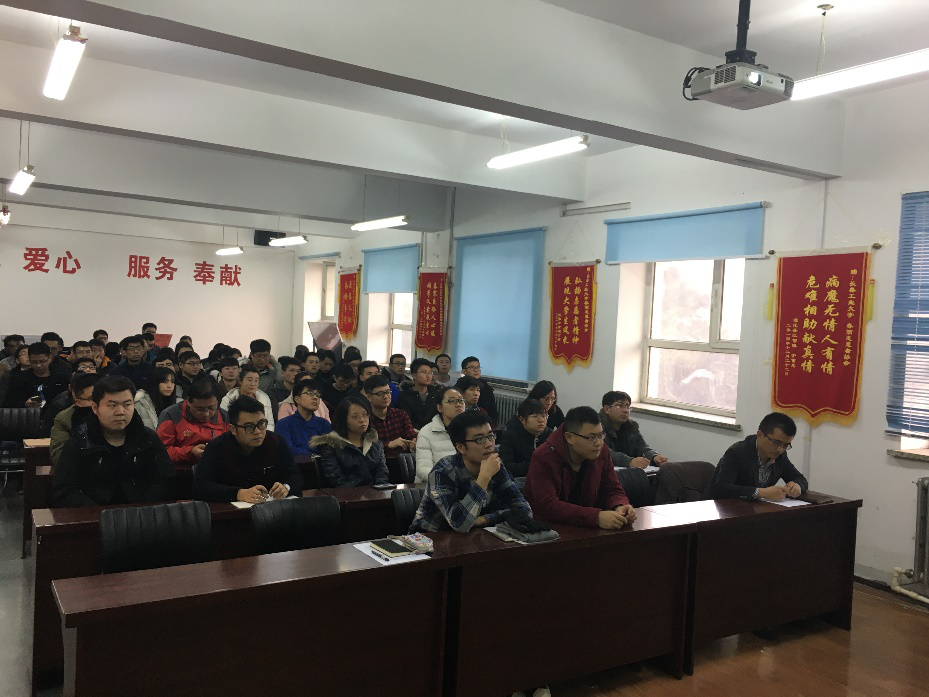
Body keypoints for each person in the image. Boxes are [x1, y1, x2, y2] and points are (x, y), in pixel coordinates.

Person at [52, 375, 175, 507]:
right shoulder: (81, 442)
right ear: (95, 407)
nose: (120, 412)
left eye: (127, 405)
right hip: (94, 514)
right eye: (112, 405)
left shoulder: (147, 438)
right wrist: (97, 513)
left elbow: (165, 479)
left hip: (141, 513)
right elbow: (64, 489)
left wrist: (141, 509)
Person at [410, 410, 531, 533]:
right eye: (479, 439)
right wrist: (484, 478)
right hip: (430, 539)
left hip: (477, 535)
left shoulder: (496, 466)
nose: (489, 444)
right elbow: (460, 524)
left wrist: (484, 520)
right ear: (461, 447)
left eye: (490, 436)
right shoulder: (442, 472)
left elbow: (524, 510)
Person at [524, 406, 635, 529]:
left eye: (601, 435)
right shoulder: (543, 457)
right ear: (569, 437)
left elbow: (612, 489)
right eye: (591, 437)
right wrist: (596, 517)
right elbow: (548, 506)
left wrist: (620, 505)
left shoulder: (601, 452)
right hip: (548, 528)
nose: (599, 443)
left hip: (586, 526)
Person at [193, 395, 303, 503]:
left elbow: (295, 476)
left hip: (271, 508)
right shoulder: (216, 447)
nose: (258, 432)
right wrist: (238, 493)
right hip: (232, 510)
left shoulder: (276, 442)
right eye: (249, 427)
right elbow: (201, 487)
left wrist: (286, 487)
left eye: (261, 424)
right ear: (233, 429)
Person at [705, 412, 809, 501]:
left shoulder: (780, 456)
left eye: (786, 445)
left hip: (752, 511)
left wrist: (796, 485)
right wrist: (760, 493)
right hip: (719, 511)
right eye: (776, 443)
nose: (780, 449)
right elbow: (721, 489)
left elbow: (800, 478)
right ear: (760, 435)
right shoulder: (737, 452)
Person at [311, 395, 388, 487]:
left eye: (365, 415)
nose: (362, 420)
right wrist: (362, 492)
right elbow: (335, 479)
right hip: (346, 494)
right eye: (355, 417)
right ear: (344, 420)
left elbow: (382, 473)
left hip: (376, 492)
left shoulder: (375, 443)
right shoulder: (331, 446)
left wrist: (379, 489)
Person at [157, 379, 229, 466]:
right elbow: (160, 452)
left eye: (211, 408)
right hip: (180, 469)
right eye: (200, 409)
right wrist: (190, 452)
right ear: (188, 402)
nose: (206, 414)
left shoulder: (225, 417)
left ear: (217, 402)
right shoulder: (171, 415)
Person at [599, 391, 668, 468]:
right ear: (607, 409)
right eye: (620, 406)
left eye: (627, 406)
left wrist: (654, 456)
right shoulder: (597, 426)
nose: (625, 410)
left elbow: (641, 447)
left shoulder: (631, 427)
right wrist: (629, 461)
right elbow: (603, 452)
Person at [415, 385, 466, 483]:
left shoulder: (471, 430)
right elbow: (423, 471)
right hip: (435, 486)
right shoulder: (426, 433)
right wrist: (450, 479)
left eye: (461, 400)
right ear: (440, 407)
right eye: (451, 401)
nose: (458, 404)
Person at [49, 372, 99, 465]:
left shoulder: (118, 413)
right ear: (78, 402)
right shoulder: (64, 419)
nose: (98, 403)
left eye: (101, 398)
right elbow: (59, 457)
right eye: (91, 399)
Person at [363, 375, 417, 460]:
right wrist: (388, 444)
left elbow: (411, 435)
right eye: (380, 394)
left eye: (388, 392)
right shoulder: (365, 420)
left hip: (403, 461)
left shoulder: (400, 414)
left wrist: (413, 442)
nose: (385, 396)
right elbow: (367, 448)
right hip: (378, 462)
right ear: (369, 397)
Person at [276, 378, 333, 456]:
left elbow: (330, 451)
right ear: (297, 399)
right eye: (310, 393)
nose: (315, 397)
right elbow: (288, 450)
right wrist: (314, 456)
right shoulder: (284, 424)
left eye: (318, 394)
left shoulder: (324, 424)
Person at [2, 342, 68, 408]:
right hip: (27, 413)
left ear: (50, 358)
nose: (38, 365)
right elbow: (7, 403)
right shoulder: (18, 378)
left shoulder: (61, 378)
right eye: (34, 362)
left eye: (42, 361)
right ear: (29, 359)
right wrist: (24, 404)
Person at [499, 398, 553, 479]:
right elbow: (506, 466)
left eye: (543, 416)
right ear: (522, 420)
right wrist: (533, 465)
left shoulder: (549, 435)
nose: (541, 420)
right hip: (518, 480)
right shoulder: (510, 435)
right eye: (535, 416)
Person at [220, 364, 275, 430]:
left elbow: (270, 423)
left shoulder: (264, 398)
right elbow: (224, 422)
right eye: (249, 380)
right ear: (241, 381)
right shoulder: (228, 399)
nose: (253, 384)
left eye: (256, 381)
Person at [396, 358, 439, 429]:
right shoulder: (404, 396)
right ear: (414, 375)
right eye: (424, 372)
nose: (428, 376)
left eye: (430, 372)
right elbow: (405, 421)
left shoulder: (436, 393)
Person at [134, 367, 180, 431]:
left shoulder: (179, 404)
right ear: (155, 382)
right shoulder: (140, 402)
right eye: (165, 382)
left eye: (172, 382)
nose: (169, 386)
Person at [460, 356, 498, 426]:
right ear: (463, 371)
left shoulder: (485, 386)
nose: (476, 370)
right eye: (472, 367)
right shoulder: (460, 386)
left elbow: (492, 409)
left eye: (478, 367)